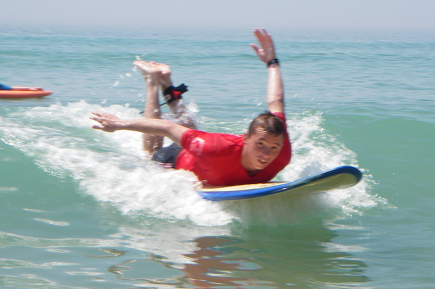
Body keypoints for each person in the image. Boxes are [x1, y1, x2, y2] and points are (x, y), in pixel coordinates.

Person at [91, 29, 291, 187]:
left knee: (192, 126)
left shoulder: (279, 145)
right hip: (176, 160)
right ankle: (152, 81)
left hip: (202, 153)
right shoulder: (214, 147)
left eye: (274, 147)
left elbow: (276, 103)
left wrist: (272, 63)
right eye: (261, 144)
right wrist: (118, 123)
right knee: (151, 151)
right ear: (246, 139)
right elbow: (167, 128)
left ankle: (167, 83)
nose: (267, 154)